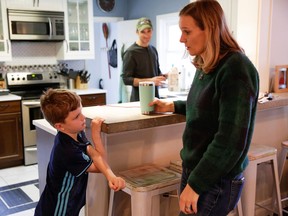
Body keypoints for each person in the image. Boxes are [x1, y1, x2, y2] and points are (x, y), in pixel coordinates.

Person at [149, 1, 259, 215]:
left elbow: (230, 141)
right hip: (197, 170)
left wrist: (196, 184)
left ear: (209, 28)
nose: (182, 39)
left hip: (215, 179)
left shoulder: (236, 68)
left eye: (187, 32)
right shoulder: (206, 64)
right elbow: (208, 106)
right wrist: (172, 105)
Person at [34, 89, 126, 216]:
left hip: (65, 205)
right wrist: (95, 134)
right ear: (60, 126)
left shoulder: (74, 133)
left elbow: (93, 154)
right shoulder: (67, 151)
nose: (83, 118)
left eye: (81, 112)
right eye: (76, 116)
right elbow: (98, 166)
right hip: (58, 210)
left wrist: (111, 177)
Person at [122, 17, 167, 102]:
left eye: (149, 31)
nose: (146, 35)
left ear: (152, 31)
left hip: (155, 99)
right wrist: (151, 81)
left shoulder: (153, 50)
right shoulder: (130, 52)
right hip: (139, 101)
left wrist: (167, 76)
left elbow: (157, 73)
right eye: (143, 32)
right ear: (137, 32)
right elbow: (126, 80)